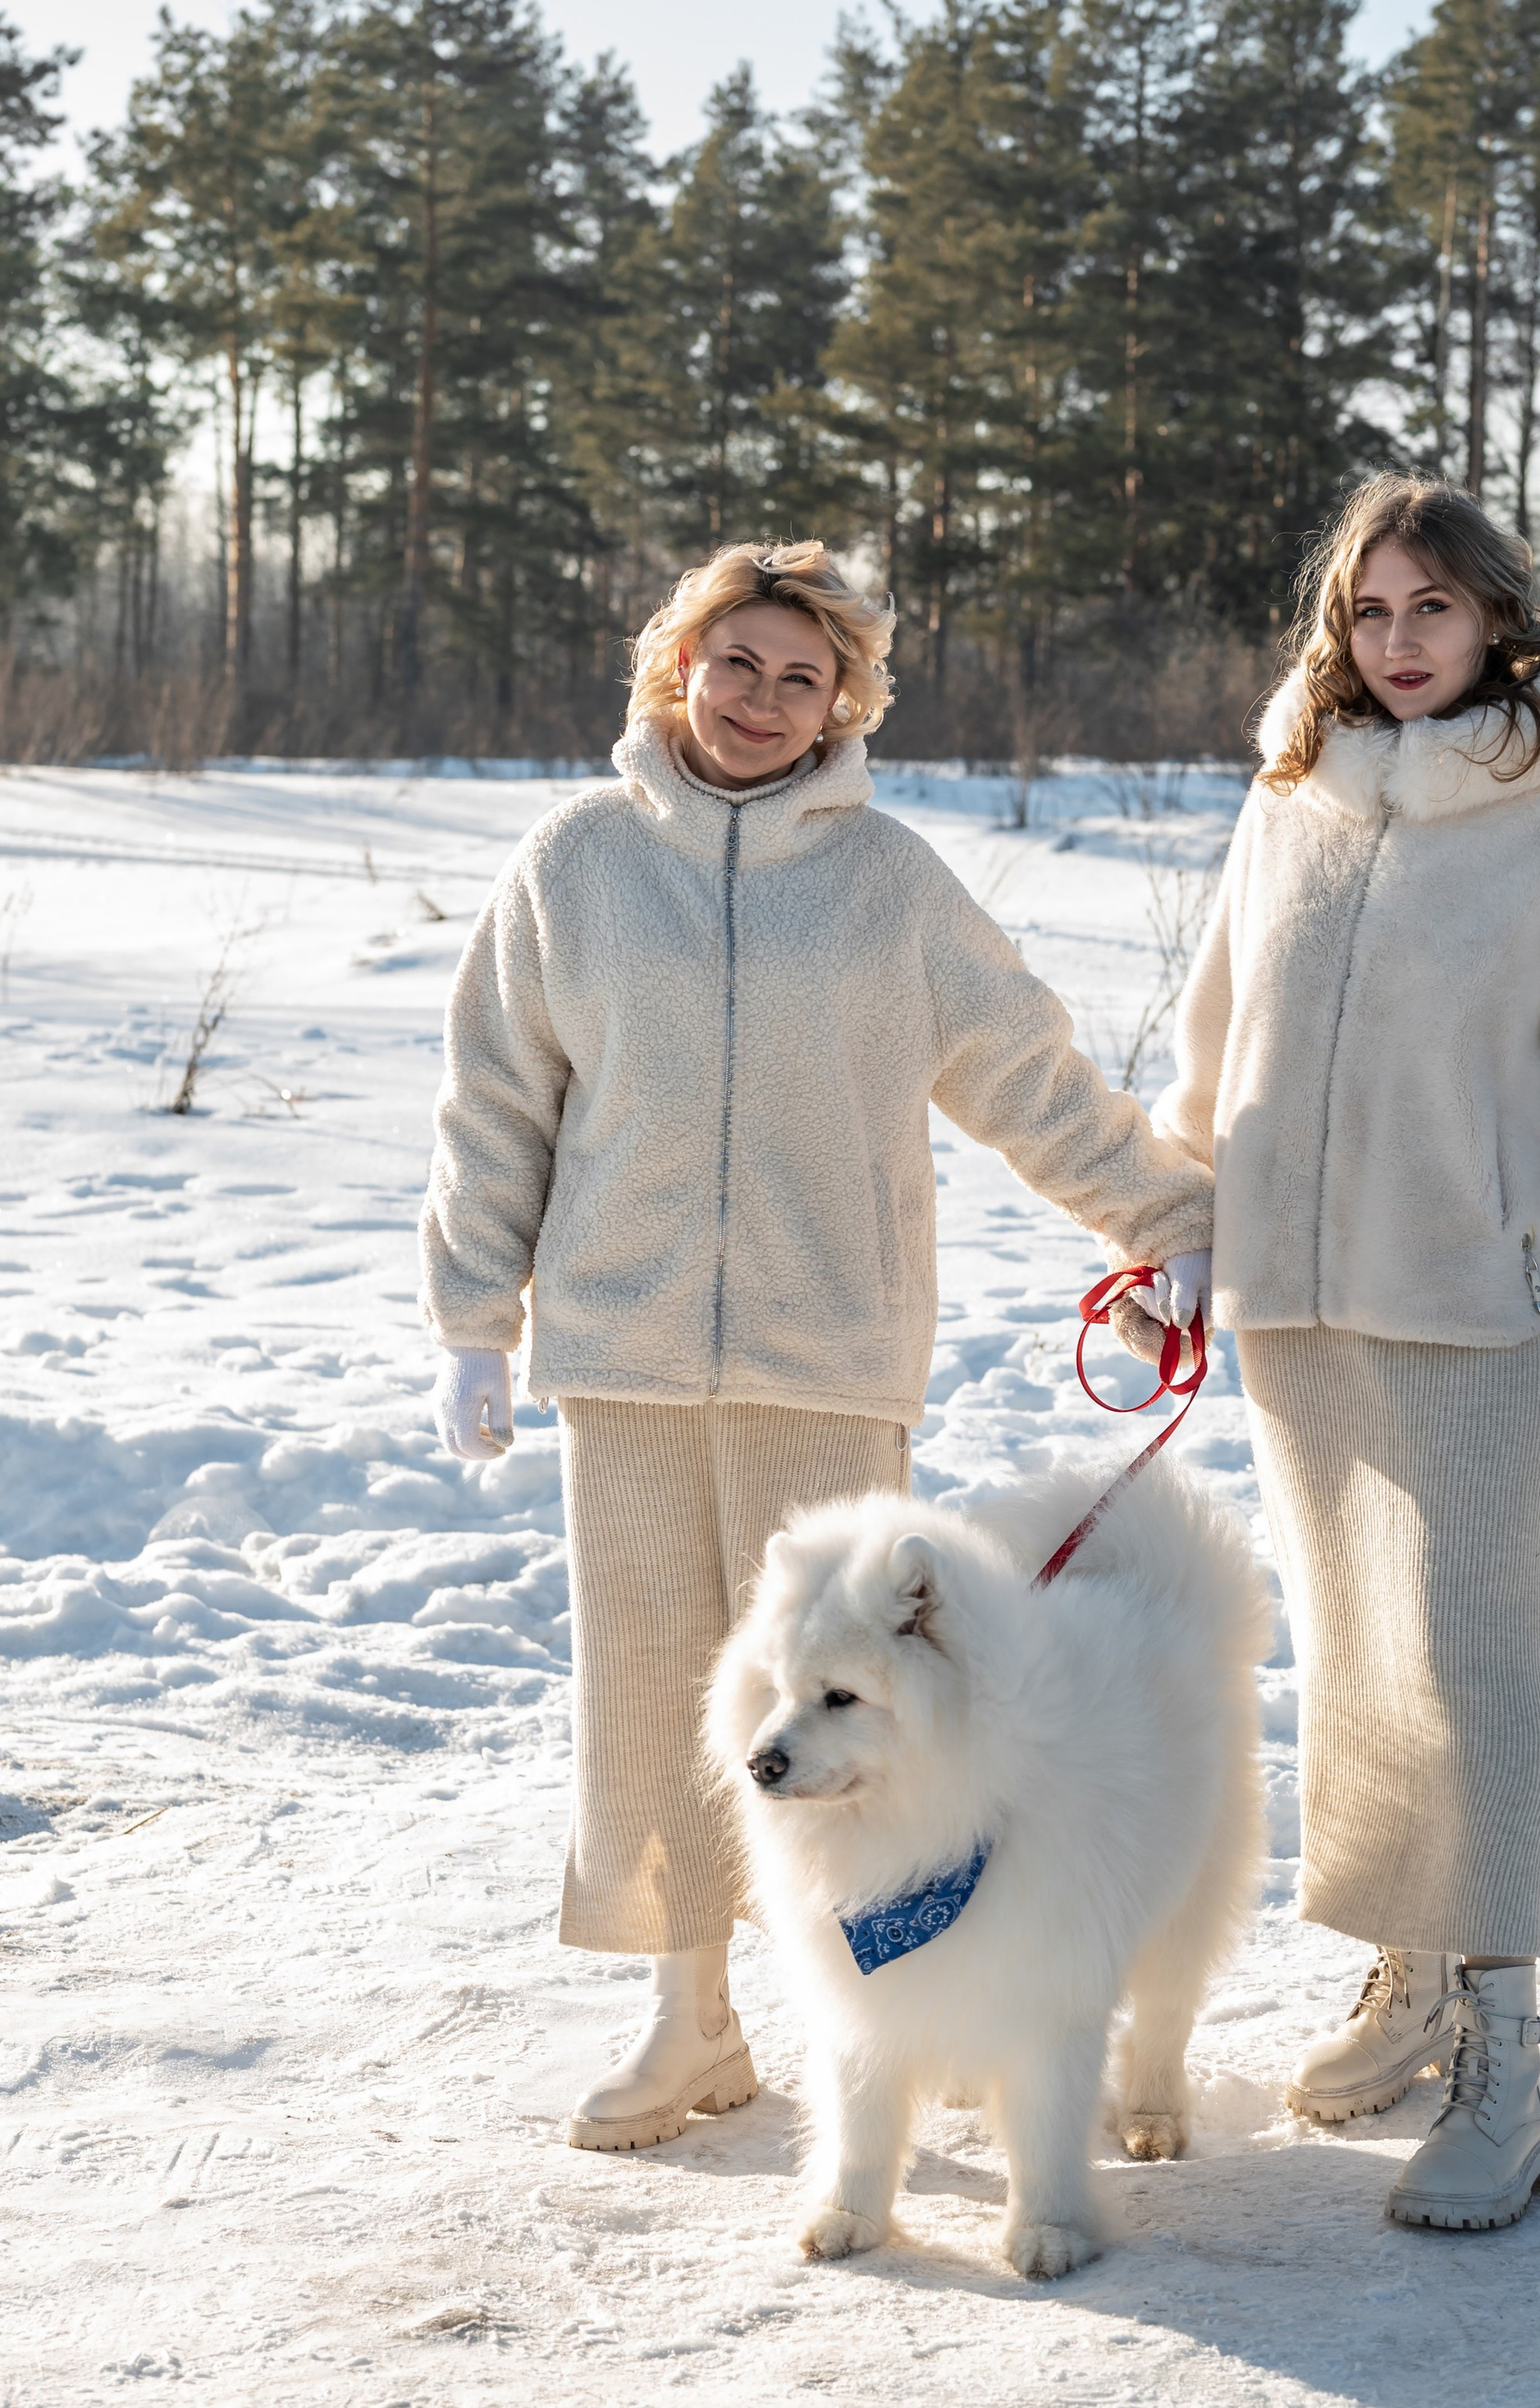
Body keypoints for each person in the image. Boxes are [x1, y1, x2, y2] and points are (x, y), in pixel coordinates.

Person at [420, 538, 1213, 2153]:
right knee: (654, 1704)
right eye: (738, 665)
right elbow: (496, 1102)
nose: (765, 700)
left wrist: (1162, 1216)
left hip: (824, 1359)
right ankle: (688, 2019)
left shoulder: (887, 886)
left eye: (803, 677)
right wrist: (472, 1318)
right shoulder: (572, 865)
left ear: (843, 699)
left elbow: (1023, 1069)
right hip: (627, 1365)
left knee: (872, 1706)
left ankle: (943, 2016)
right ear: (675, 667)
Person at [1138, 472, 1540, 2233]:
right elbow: (1209, 1036)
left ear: (1494, 619)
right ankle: (1413, 1973)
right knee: (1357, 1662)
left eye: (1431, 611)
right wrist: (1173, 1234)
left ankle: (1510, 2061)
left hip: (1476, 1301)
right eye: (1369, 613)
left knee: (1468, 1675)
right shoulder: (1287, 794)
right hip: (1297, 1310)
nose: (1397, 645)